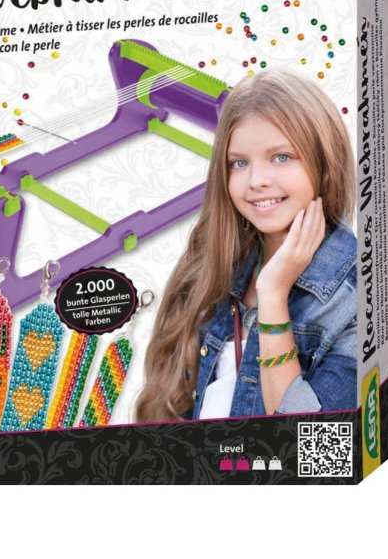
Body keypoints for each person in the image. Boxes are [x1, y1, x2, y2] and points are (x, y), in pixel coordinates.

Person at [136, 70, 357, 421]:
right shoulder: (214, 263)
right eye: (239, 163)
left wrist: (273, 294)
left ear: (324, 162)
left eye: (281, 157)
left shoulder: (360, 296)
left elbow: (302, 439)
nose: (257, 181)